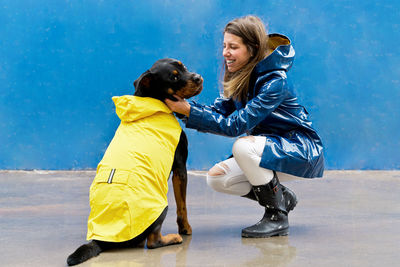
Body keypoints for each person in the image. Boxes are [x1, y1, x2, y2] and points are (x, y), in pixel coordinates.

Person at [165, 15, 324, 238]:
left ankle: (277, 217)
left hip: (299, 150)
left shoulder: (275, 81)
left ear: (253, 49)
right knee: (217, 178)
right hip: (266, 151)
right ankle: (282, 197)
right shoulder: (239, 74)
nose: (225, 53)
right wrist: (185, 106)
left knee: (242, 146)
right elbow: (220, 112)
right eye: (224, 46)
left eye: (233, 47)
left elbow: (235, 125)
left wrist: (188, 111)